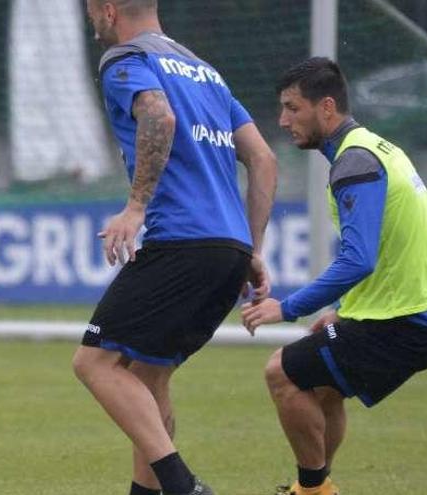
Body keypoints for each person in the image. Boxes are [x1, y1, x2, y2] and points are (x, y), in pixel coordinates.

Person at [73, 1, 278, 494]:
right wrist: (251, 249)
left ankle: (182, 485)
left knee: (94, 362)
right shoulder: (207, 73)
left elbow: (158, 116)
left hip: (183, 240)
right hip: (228, 248)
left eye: (89, 9)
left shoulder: (125, 59)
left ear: (108, 9)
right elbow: (265, 159)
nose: (89, 20)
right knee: (148, 376)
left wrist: (136, 207)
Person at [242, 57, 427, 495]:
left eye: (293, 108)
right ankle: (313, 485)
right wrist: (346, 314)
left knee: (282, 372)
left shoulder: (355, 164)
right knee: (323, 388)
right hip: (412, 311)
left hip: (408, 319)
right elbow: (392, 249)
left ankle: (314, 490)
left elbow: (358, 259)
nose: (283, 120)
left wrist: (288, 308)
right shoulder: (378, 148)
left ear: (326, 107)